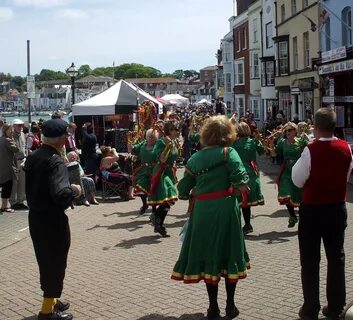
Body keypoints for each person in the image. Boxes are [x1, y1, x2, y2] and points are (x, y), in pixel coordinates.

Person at [171, 115, 250, 320]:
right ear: (228, 134)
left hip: (203, 210)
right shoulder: (229, 152)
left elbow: (181, 191)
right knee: (229, 252)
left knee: (209, 256)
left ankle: (213, 308)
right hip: (225, 208)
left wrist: (196, 188)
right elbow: (242, 182)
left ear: (206, 134)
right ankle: (230, 306)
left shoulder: (195, 158)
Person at [292, 108, 352, 320]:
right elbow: (345, 177)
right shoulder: (347, 148)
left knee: (310, 261)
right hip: (337, 208)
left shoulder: (311, 149)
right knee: (336, 258)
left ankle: (311, 308)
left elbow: (297, 180)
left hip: (313, 210)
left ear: (315, 127)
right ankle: (335, 306)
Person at [24, 119, 82, 320]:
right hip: (52, 220)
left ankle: (52, 301)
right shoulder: (55, 160)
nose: (68, 138)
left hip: (36, 218)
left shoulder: (34, 156)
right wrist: (74, 190)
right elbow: (60, 194)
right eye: (66, 135)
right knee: (55, 263)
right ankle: (46, 311)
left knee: (46, 262)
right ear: (59, 139)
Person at [269, 122, 307, 228]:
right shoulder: (282, 142)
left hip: (299, 170)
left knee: (300, 196)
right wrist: (272, 144)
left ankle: (303, 221)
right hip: (287, 171)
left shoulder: (301, 141)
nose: (288, 132)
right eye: (286, 131)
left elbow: (309, 152)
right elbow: (274, 154)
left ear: (295, 131)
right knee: (285, 193)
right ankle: (292, 216)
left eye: (290, 130)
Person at [148, 121, 179, 237]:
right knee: (169, 196)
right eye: (174, 129)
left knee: (169, 201)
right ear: (169, 130)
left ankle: (157, 221)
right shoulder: (161, 142)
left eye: (177, 129)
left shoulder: (174, 142)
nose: (177, 131)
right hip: (162, 172)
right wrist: (167, 148)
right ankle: (157, 221)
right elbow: (161, 159)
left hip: (169, 172)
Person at [232, 122, 265, 234]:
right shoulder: (253, 142)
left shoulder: (233, 143)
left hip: (238, 171)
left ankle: (240, 225)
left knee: (237, 200)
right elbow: (262, 152)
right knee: (246, 200)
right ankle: (247, 224)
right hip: (251, 171)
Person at [129, 128, 158, 215]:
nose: (150, 139)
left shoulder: (158, 146)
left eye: (153, 137)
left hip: (154, 171)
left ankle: (154, 210)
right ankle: (145, 204)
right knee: (140, 187)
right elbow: (133, 150)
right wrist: (129, 143)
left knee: (153, 191)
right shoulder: (142, 145)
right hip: (143, 171)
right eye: (149, 137)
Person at [0, 123, 19, 213]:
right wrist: (13, 139)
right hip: (8, 168)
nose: (12, 131)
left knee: (4, 186)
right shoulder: (8, 140)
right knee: (7, 187)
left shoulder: (1, 139)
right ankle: (4, 206)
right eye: (10, 130)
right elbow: (16, 149)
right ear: (5, 130)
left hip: (1, 167)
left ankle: (4, 206)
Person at [10, 118, 28, 210]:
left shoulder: (23, 134)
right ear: (14, 126)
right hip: (14, 161)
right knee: (14, 182)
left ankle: (20, 201)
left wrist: (26, 157)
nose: (21, 127)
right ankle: (13, 202)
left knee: (22, 182)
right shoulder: (10, 135)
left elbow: (25, 147)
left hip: (22, 160)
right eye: (19, 125)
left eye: (22, 125)